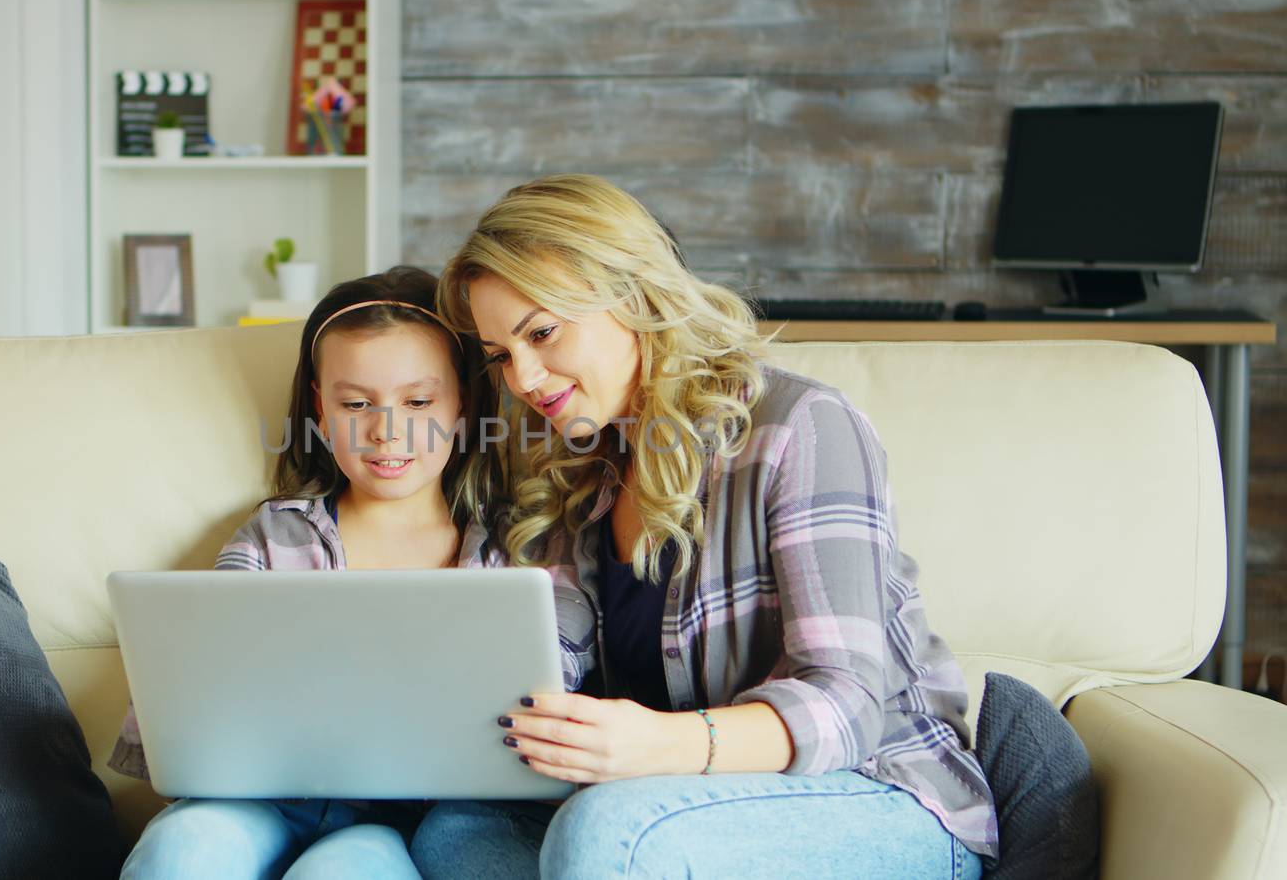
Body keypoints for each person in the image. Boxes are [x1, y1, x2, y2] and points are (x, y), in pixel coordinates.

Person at [409, 175, 998, 879]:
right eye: (502, 355)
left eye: (542, 332)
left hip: (877, 796)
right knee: (456, 831)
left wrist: (658, 746)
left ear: (634, 296)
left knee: (604, 835)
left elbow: (847, 705)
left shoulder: (800, 430)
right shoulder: (580, 468)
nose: (525, 379)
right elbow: (542, 667)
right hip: (679, 801)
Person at [113, 267, 586, 879]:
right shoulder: (272, 538)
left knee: (341, 870)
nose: (386, 430)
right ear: (319, 405)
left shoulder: (524, 543)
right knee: (186, 845)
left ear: (463, 401)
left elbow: (562, 681)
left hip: (445, 815)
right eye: (355, 403)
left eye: (418, 402)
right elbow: (196, 701)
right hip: (275, 800)